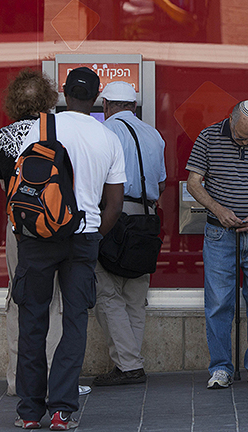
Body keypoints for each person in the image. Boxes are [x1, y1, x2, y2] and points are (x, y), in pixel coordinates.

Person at [13, 67, 126, 429]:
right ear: (96, 98)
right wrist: (93, 233)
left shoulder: (37, 128)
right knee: (75, 322)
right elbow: (115, 204)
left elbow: (20, 188)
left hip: (37, 240)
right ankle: (62, 410)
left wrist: (26, 232)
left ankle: (29, 413)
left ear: (63, 92)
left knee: (32, 321)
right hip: (83, 239)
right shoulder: (108, 137)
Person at [0, 69, 91, 399]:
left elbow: (7, 187)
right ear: (49, 97)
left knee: (21, 301)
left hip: (19, 227)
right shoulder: (55, 129)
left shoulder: (5, 136)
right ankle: (56, 382)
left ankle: (17, 381)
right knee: (57, 304)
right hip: (58, 223)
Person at [185, 100, 248, 389]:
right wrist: (218, 210)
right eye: (242, 136)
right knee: (219, 302)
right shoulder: (208, 137)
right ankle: (220, 368)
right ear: (230, 120)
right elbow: (193, 182)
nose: (246, 142)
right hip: (220, 233)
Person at [92, 81, 166, 387]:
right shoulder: (154, 134)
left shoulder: (104, 131)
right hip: (145, 222)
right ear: (134, 106)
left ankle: (130, 365)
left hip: (113, 218)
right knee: (135, 297)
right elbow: (160, 184)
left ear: (106, 105)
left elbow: (96, 181)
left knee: (107, 294)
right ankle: (128, 364)